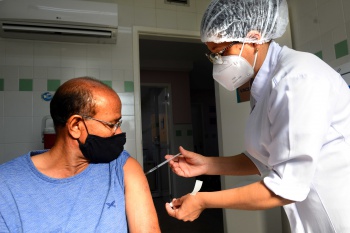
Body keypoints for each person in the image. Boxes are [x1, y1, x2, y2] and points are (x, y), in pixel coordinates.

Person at [164, 0, 350, 232]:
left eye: (221, 52)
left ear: (253, 38)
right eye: (213, 55)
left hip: (338, 214)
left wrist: (203, 200)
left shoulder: (297, 78)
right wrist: (206, 165)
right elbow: (265, 158)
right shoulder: (265, 84)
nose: (219, 62)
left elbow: (286, 186)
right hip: (312, 214)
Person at [0, 77, 161, 233]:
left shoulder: (122, 167)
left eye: (118, 124)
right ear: (76, 126)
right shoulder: (6, 185)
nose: (118, 132)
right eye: (112, 124)